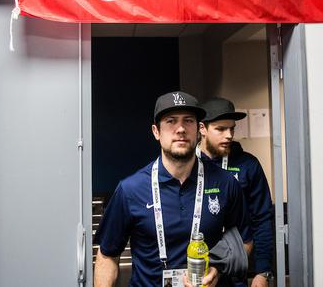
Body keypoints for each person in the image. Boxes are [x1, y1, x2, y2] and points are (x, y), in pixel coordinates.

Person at [94, 91, 251, 286]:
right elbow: (107, 256)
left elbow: (245, 241)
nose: (181, 129)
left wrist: (218, 268)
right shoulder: (130, 190)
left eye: (188, 121)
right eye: (171, 121)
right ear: (156, 132)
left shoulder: (226, 183)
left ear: (198, 129)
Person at [197, 98, 275, 287]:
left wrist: (263, 271)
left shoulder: (248, 165)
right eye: (221, 129)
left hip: (234, 270)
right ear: (202, 128)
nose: (229, 135)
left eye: (232, 128)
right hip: (195, 267)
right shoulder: (187, 165)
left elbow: (262, 219)